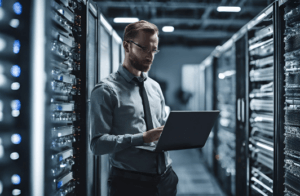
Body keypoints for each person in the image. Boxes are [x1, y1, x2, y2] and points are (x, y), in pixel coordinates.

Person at [90, 20, 178, 196]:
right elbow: (98, 144)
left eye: (153, 50)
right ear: (127, 46)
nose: (150, 56)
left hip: (166, 179)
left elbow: (161, 127)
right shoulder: (106, 90)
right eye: (144, 48)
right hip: (130, 183)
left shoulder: (155, 87)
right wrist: (142, 138)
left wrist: (178, 133)